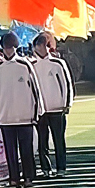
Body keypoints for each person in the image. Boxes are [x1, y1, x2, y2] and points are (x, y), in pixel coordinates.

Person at [0, 36, 39, 188]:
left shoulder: (24, 65)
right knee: (10, 151)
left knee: (26, 150)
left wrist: (36, 113)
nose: (9, 50)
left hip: (25, 115)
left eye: (11, 47)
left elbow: (35, 90)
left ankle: (28, 178)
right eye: (6, 47)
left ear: (16, 47)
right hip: (5, 116)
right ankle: (13, 179)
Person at [29, 33, 73, 179]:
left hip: (57, 108)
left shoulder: (58, 63)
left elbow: (66, 84)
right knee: (42, 141)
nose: (40, 48)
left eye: (43, 45)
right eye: (38, 46)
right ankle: (45, 168)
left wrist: (67, 103)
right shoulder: (30, 65)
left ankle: (61, 167)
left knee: (58, 139)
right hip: (40, 110)